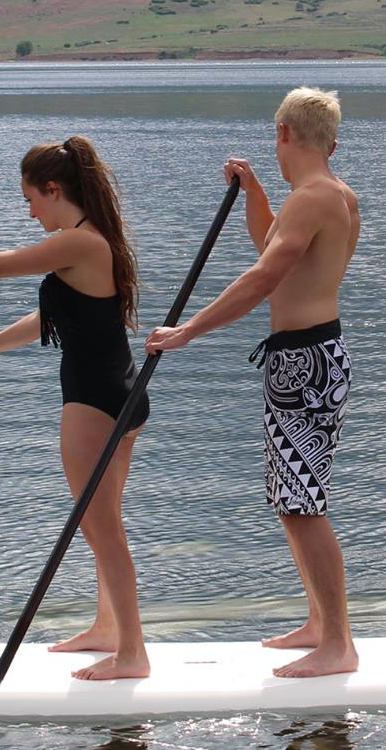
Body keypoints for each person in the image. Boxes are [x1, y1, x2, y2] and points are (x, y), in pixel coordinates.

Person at [147, 87, 361, 678]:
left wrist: (190, 330)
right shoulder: (333, 195)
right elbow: (278, 248)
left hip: (306, 363)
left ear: (284, 135)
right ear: (332, 142)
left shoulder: (313, 198)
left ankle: (339, 644)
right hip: (311, 357)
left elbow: (266, 274)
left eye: (277, 138)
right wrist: (257, 195)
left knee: (301, 504)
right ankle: (320, 624)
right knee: (291, 500)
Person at [0, 136, 151, 681]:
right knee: (105, 524)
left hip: (93, 404)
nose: (29, 212)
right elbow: (53, 318)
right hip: (119, 395)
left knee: (102, 531)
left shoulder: (81, 242)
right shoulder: (93, 241)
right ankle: (108, 629)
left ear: (54, 190)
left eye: (31, 200)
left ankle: (133, 655)